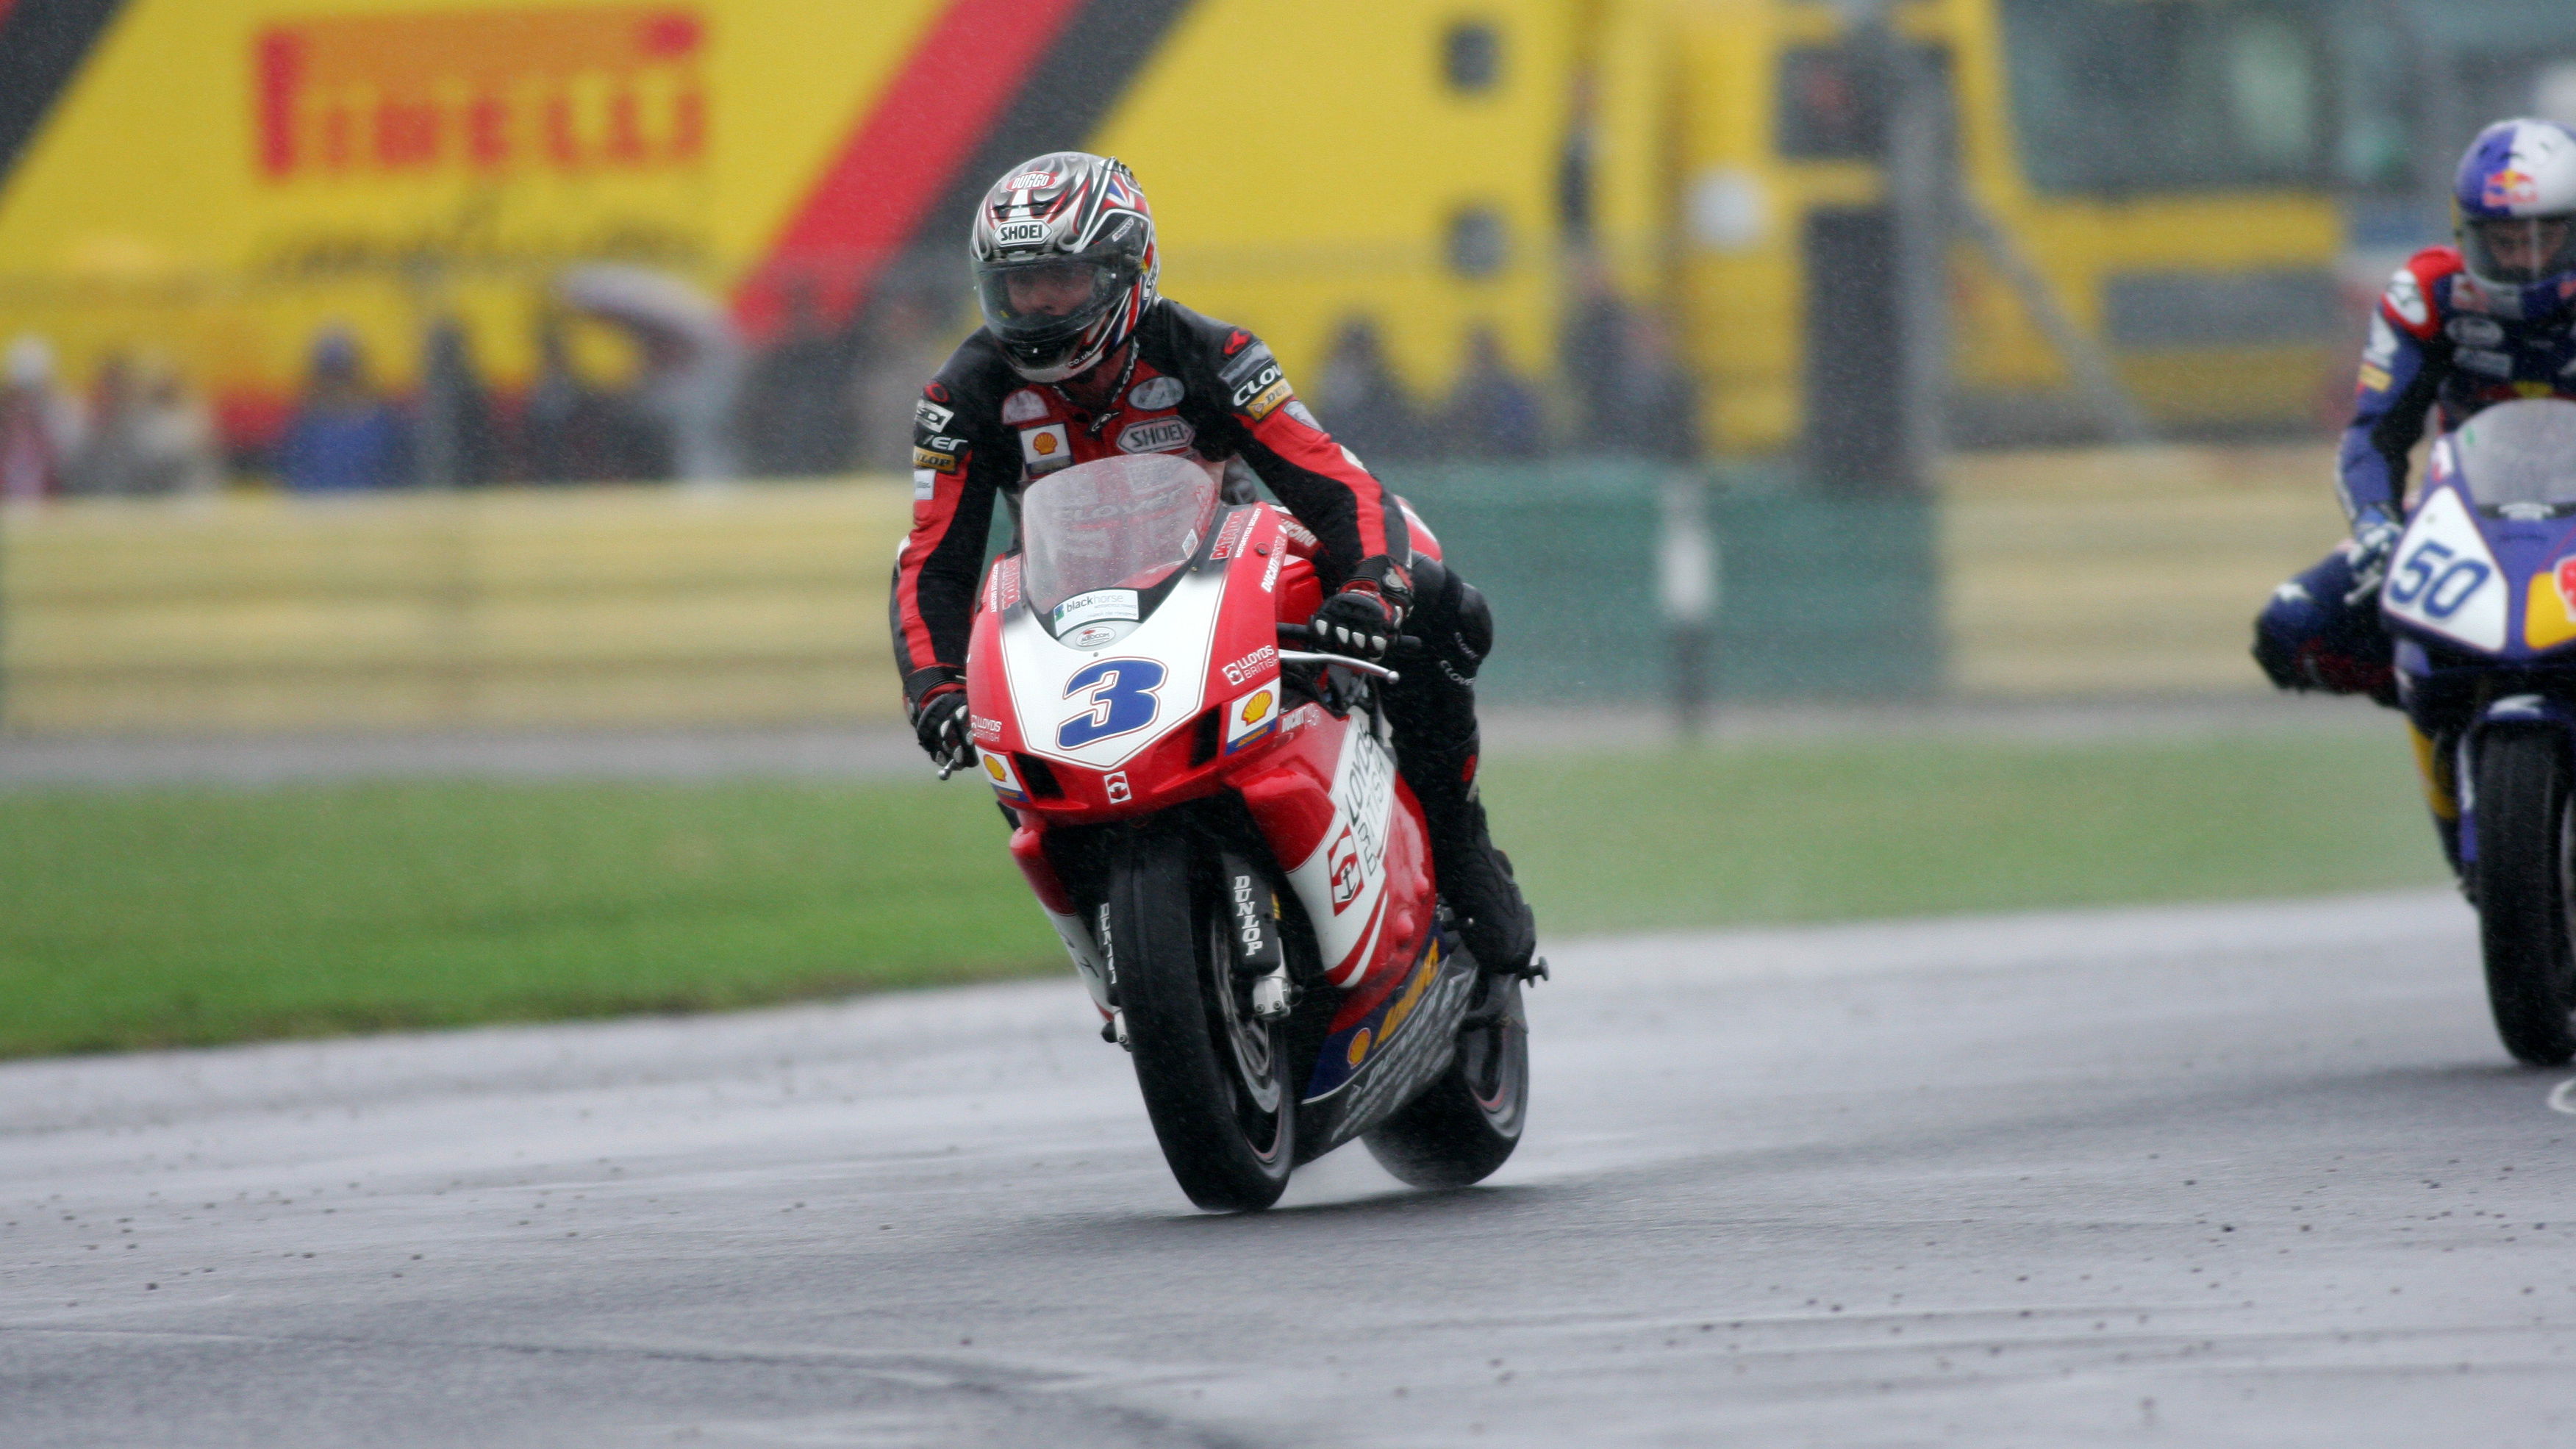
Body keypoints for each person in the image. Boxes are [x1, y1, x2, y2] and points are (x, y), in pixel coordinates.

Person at [890, 151, 1538, 979]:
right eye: (1018, 285)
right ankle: (1119, 952)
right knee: (993, 732)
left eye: (1060, 277)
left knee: (1441, 593)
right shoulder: (961, 394)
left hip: (1220, 577)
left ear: (1126, 269)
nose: (1038, 305)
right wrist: (935, 689)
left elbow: (1330, 476)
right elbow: (931, 559)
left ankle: (1458, 837)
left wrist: (1375, 586)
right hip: (1069, 615)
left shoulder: (1210, 350)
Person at [2255, 118, 2576, 870]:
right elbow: (2372, 434)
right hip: (2472, 516)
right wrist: (2373, 526)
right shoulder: (2429, 294)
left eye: (2544, 236)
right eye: (2504, 239)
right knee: (2291, 627)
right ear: (2470, 235)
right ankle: (2441, 697)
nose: (2524, 257)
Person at [276, 329, 411, 493]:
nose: (337, 384)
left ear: (358, 374)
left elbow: (400, 481)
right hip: (314, 512)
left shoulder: (385, 425)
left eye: (343, 375)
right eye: (329, 375)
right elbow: (288, 478)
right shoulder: (301, 428)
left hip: (374, 512)